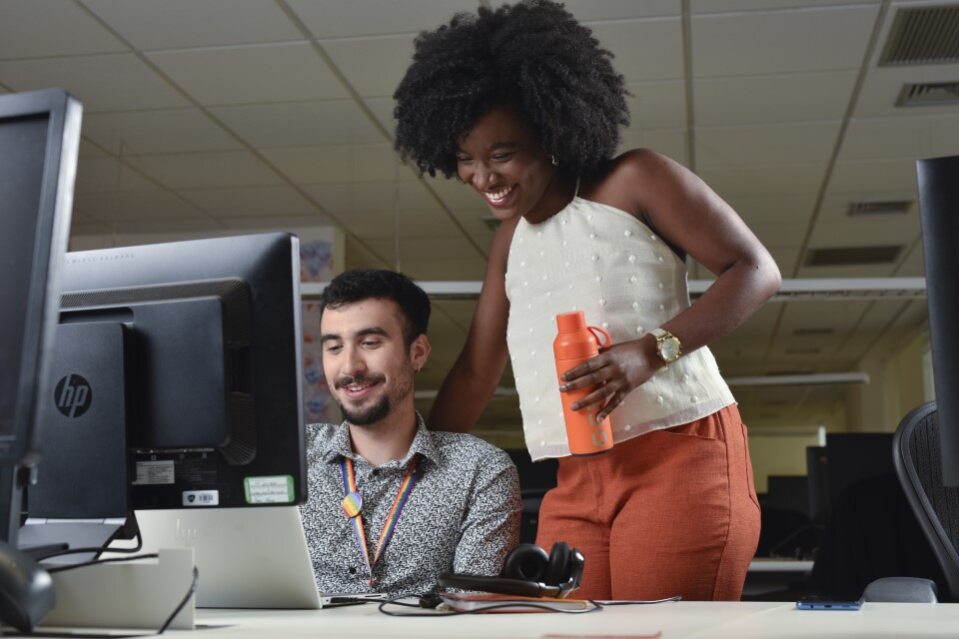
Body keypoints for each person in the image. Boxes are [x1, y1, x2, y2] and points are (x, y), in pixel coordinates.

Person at [393, 0, 781, 601]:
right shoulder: (509, 243)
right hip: (574, 478)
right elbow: (475, 372)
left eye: (502, 154)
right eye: (465, 160)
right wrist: (412, 468)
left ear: (549, 134)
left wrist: (648, 353)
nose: (483, 177)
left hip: (680, 453)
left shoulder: (635, 180)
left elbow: (755, 269)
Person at [299, 269, 521, 596]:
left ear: (417, 352)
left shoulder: (480, 470)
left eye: (370, 343)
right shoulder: (292, 456)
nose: (349, 367)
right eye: (334, 347)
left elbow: (474, 613)